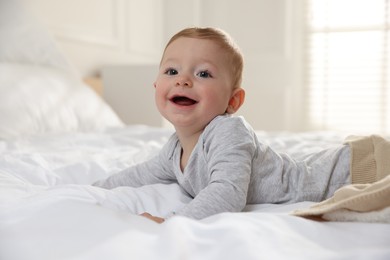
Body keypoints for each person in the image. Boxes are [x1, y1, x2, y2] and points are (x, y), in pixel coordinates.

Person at [94, 27, 389, 223]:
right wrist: (94, 190)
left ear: (232, 102)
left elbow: (227, 193)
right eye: (172, 70)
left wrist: (173, 221)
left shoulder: (228, 131)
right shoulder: (173, 150)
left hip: (354, 168)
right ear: (156, 85)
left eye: (204, 74)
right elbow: (138, 174)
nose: (183, 79)